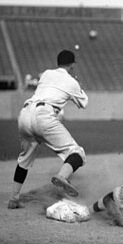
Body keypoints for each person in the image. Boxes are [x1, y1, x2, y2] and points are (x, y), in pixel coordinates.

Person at [8, 50, 88, 209]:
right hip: (44, 116)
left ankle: (14, 199)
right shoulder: (71, 81)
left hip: (25, 114)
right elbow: (83, 104)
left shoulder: (46, 74)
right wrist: (79, 86)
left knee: (24, 159)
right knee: (77, 153)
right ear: (72, 65)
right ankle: (62, 176)